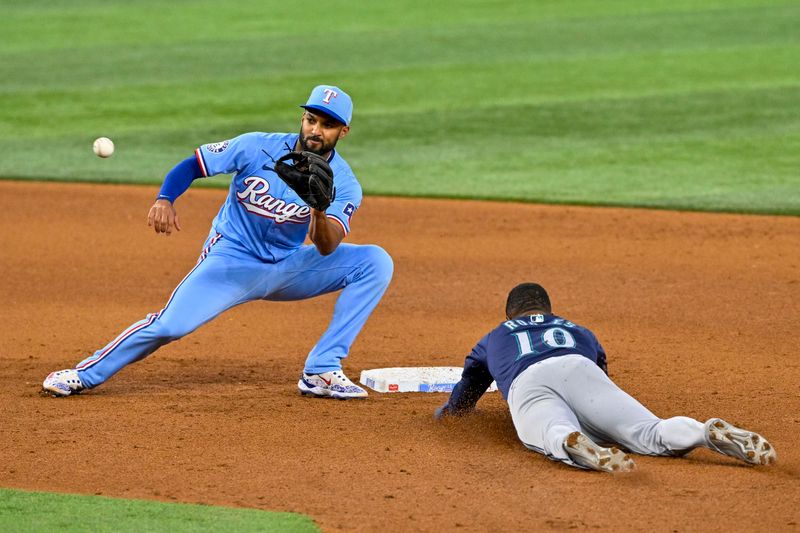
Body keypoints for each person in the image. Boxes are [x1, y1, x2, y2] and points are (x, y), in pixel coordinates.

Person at [43, 85, 393, 400]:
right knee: (171, 325)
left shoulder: (344, 183)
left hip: (289, 266)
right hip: (232, 261)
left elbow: (326, 247)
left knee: (376, 261)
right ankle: (84, 374)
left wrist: (318, 209)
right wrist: (165, 198)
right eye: (310, 119)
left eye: (326, 125)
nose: (315, 130)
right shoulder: (257, 146)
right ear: (302, 118)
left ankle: (321, 370)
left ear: (343, 131)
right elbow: (192, 165)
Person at [434, 283, 777, 472]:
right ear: (548, 309)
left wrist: (452, 413)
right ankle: (703, 431)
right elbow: (600, 374)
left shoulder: (497, 334)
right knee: (649, 431)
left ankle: (570, 440)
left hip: (529, 382)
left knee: (548, 430)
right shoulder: (579, 330)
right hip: (582, 370)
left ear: (511, 314)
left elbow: (471, 380)